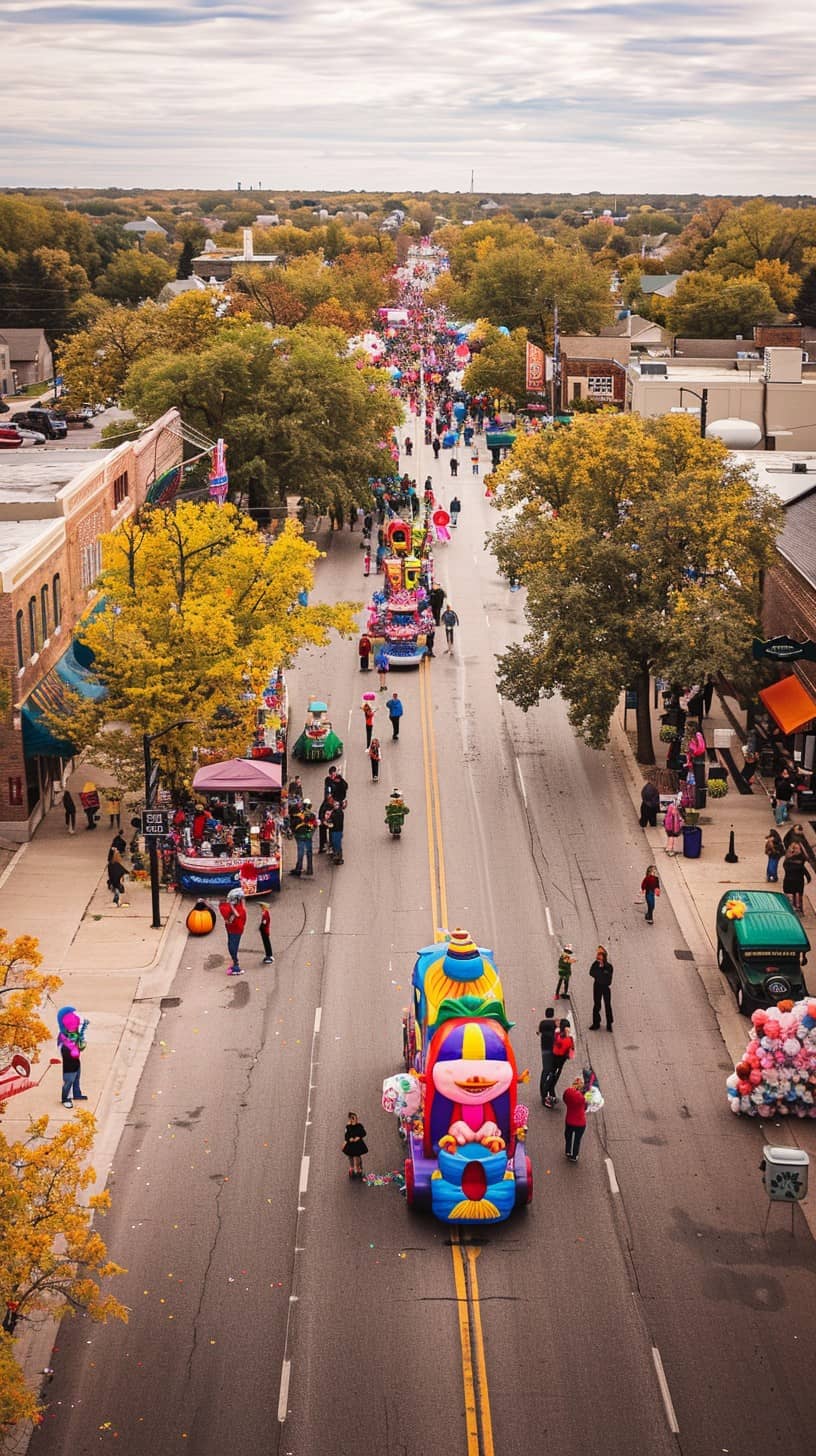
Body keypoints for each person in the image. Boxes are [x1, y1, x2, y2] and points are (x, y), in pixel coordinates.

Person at [58, 1007, 89, 1109]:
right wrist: (73, 1049)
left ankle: (76, 1093)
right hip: (69, 1063)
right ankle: (65, 1098)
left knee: (77, 1077)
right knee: (69, 1080)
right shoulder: (63, 1038)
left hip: (76, 1061)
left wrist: (81, 1044)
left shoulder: (74, 1034)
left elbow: (80, 1046)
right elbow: (64, 1048)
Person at [563, 1077, 588, 1163]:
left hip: (569, 1120)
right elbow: (585, 1107)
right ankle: (574, 1155)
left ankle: (568, 1151)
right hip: (580, 1123)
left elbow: (564, 1099)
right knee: (577, 1140)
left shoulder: (567, 1092)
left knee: (568, 1136)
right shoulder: (582, 1098)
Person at [589, 947, 614, 1032]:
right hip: (597, 986)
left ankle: (609, 1024)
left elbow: (608, 980)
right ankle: (596, 1023)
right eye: (598, 955)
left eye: (600, 955)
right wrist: (600, 971)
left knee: (607, 1005)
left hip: (605, 987)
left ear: (604, 957)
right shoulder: (595, 964)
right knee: (597, 1005)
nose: (598, 957)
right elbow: (591, 973)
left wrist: (599, 974)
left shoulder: (609, 967)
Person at [537, 1006, 558, 1107]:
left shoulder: (542, 1023)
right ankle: (549, 1091)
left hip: (544, 1049)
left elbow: (538, 1032)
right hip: (553, 1049)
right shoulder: (555, 1023)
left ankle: (543, 1090)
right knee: (551, 1070)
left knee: (545, 1069)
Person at [290, 799, 317, 876]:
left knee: (300, 853)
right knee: (309, 853)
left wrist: (293, 832)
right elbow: (315, 825)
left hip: (300, 836)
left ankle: (298, 869)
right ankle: (310, 869)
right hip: (308, 836)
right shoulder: (311, 815)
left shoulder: (298, 815)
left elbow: (293, 825)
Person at [782, 841, 811, 913]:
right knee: (794, 894)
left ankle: (797, 908)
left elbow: (806, 860)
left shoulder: (792, 858)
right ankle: (796, 909)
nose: (797, 850)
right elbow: (803, 865)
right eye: (795, 848)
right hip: (793, 879)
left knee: (796, 894)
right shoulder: (792, 858)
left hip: (794, 879)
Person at [551, 1018, 575, 1098]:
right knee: (557, 1072)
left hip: (555, 1055)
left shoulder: (557, 1034)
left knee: (553, 1071)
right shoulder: (568, 1039)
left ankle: (551, 1086)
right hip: (561, 1058)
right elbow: (571, 1049)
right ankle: (551, 1087)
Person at [342, 1112, 368, 1180]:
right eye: (354, 1118)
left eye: (356, 1118)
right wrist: (349, 1139)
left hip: (358, 1144)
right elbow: (346, 1135)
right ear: (351, 1119)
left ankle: (359, 1169)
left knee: (357, 1157)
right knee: (350, 1156)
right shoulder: (348, 1127)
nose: (356, 1119)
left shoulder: (359, 1125)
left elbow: (364, 1133)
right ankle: (352, 1168)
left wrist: (358, 1137)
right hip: (351, 1145)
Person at [329, 800, 345, 864]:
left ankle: (338, 858)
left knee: (337, 844)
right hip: (335, 830)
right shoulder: (335, 812)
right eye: (335, 805)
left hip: (337, 830)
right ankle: (337, 857)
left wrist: (330, 820)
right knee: (336, 843)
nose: (335, 806)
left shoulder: (339, 813)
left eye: (337, 805)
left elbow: (335, 820)